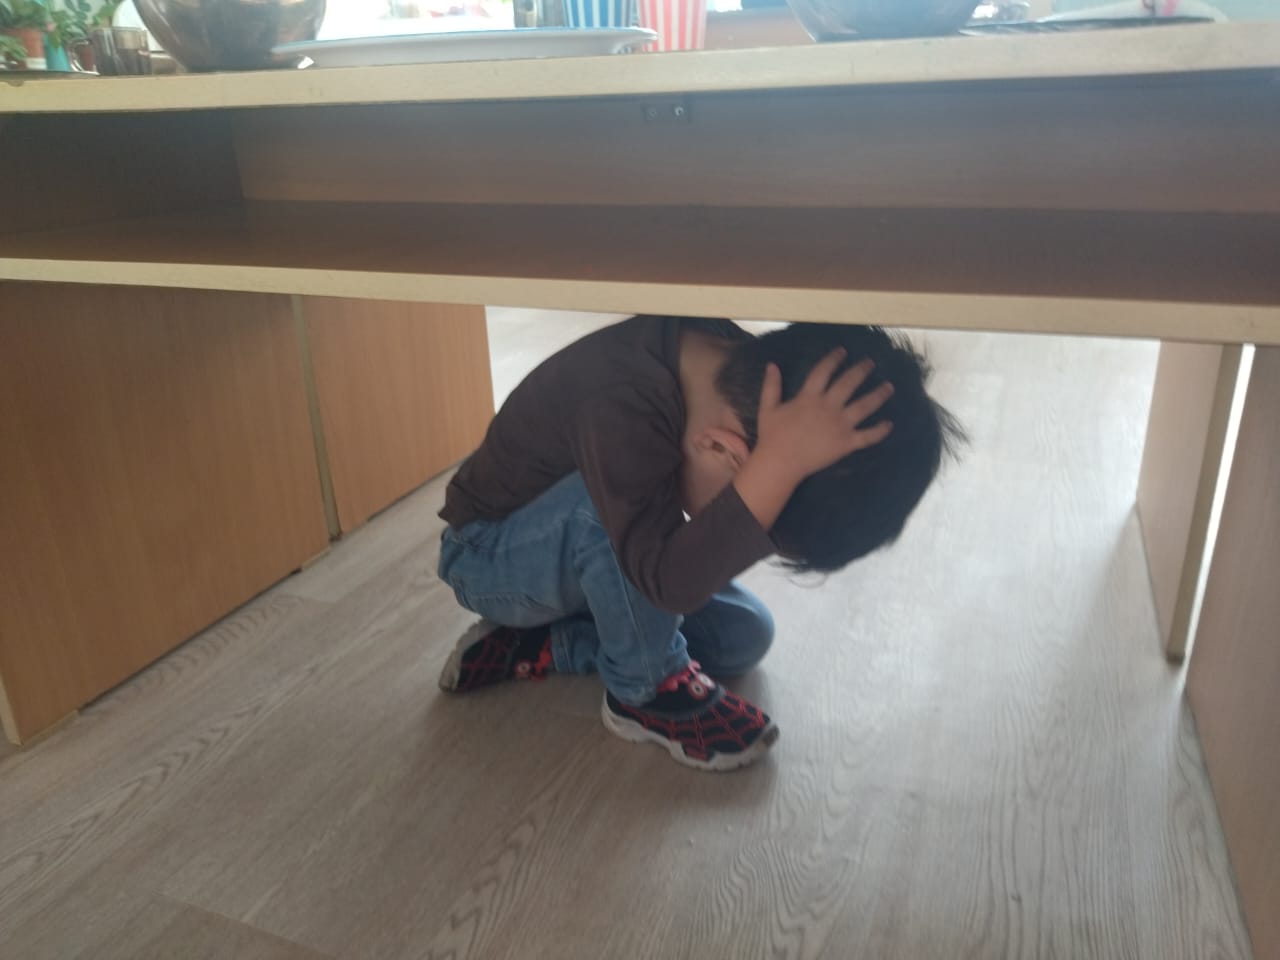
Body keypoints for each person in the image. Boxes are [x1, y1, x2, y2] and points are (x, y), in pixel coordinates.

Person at [436, 315, 964, 772]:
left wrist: (768, 473)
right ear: (721, 448)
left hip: (596, 556)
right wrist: (776, 468)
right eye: (750, 502)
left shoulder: (734, 371)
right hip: (488, 555)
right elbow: (667, 583)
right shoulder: (623, 403)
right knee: (603, 519)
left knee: (743, 635)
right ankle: (644, 691)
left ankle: (547, 644)